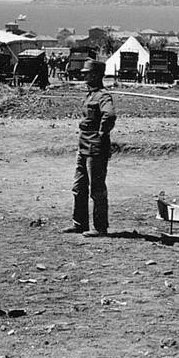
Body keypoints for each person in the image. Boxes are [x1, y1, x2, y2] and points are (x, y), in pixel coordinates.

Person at [63, 59, 116, 237]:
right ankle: (79, 223)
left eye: (88, 74)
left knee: (97, 189)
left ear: (97, 75)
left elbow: (109, 115)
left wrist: (102, 135)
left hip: (95, 147)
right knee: (79, 187)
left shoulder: (103, 96)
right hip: (83, 145)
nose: (84, 76)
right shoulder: (90, 95)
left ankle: (100, 227)